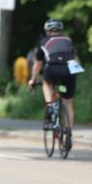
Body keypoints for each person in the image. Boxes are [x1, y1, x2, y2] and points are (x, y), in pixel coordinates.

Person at [29, 19, 79, 151]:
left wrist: (33, 80)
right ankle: (68, 133)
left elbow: (38, 65)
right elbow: (76, 60)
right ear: (60, 31)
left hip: (53, 69)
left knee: (46, 83)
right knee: (68, 102)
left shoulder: (43, 42)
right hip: (69, 70)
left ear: (47, 31)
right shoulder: (68, 40)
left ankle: (50, 106)